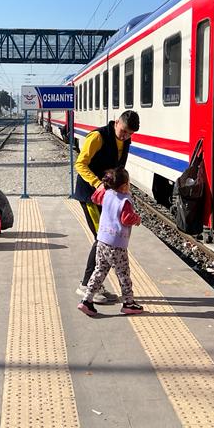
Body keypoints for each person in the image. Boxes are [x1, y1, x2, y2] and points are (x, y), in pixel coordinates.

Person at [73, 109, 140, 302]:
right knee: (101, 238)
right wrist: (97, 184)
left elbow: (119, 168)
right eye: (124, 131)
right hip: (91, 195)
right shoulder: (98, 137)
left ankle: (96, 283)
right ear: (117, 121)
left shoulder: (126, 140)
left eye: (129, 134)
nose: (125, 136)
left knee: (107, 239)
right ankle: (86, 284)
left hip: (108, 197)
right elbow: (80, 164)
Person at [78, 167, 143, 316]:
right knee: (123, 274)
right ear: (125, 185)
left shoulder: (107, 193)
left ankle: (86, 301)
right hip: (116, 244)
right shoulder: (125, 200)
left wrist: (103, 187)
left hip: (102, 241)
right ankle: (128, 303)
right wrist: (137, 219)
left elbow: (95, 198)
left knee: (99, 271)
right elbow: (126, 219)